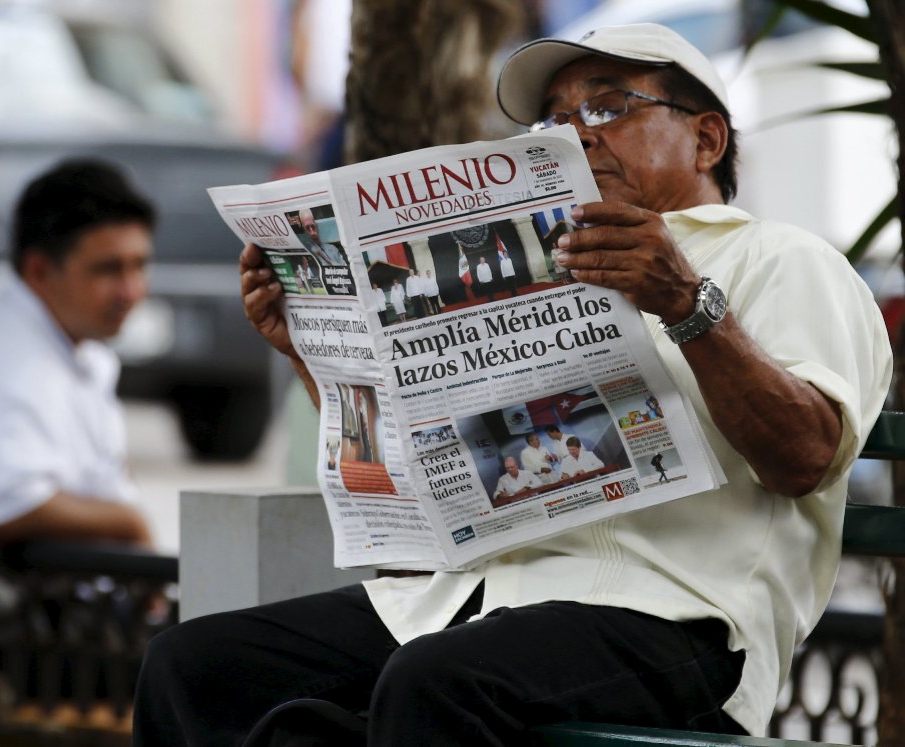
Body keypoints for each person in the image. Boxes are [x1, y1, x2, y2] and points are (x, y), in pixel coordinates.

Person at [134, 23, 892, 745]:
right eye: (554, 122)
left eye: (608, 107)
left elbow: (805, 457)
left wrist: (687, 305)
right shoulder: (534, 264)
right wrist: (311, 353)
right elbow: (408, 493)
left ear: (707, 139)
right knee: (192, 667)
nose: (576, 134)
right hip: (459, 603)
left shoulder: (784, 258)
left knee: (438, 683)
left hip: (672, 612)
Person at [0, 159, 155, 547]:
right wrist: (128, 524)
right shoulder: (12, 366)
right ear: (39, 271)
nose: (131, 291)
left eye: (139, 266)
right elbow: (5, 506)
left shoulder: (67, 344)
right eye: (108, 270)